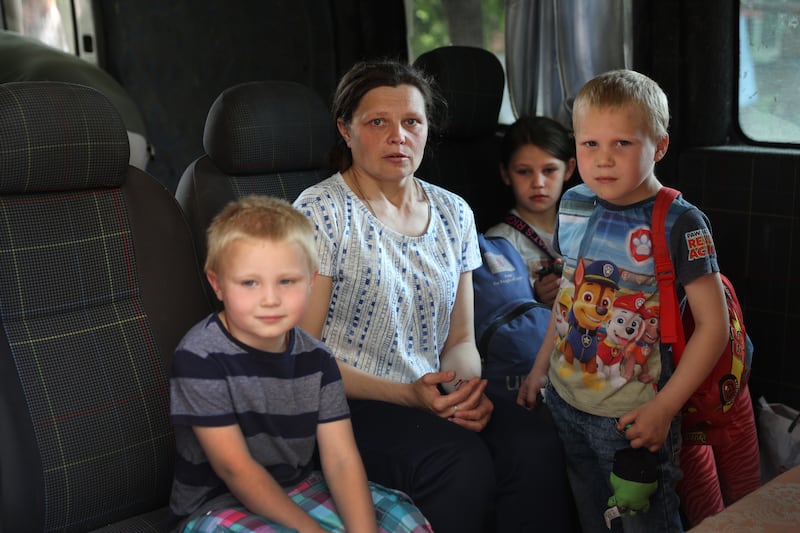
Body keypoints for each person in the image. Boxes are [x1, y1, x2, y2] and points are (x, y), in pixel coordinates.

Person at [293, 59, 575, 533]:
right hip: (345, 405)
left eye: (411, 122)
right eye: (377, 122)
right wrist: (409, 396)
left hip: (432, 393)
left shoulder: (453, 213)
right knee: (460, 463)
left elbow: (461, 340)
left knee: (534, 444)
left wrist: (462, 395)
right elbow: (303, 354)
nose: (397, 135)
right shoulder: (320, 212)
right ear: (346, 130)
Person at [517, 69, 730, 533]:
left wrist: (663, 409)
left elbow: (716, 327)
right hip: (567, 401)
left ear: (660, 146)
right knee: (592, 516)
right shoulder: (572, 202)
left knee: (643, 522)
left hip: (634, 414)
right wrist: (538, 370)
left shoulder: (680, 221)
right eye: (590, 144)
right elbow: (569, 300)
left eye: (623, 144)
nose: (604, 160)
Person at [168, 195, 433, 533]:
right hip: (217, 507)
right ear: (218, 284)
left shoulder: (318, 360)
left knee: (401, 518)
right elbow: (236, 469)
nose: (270, 299)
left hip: (301, 487)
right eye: (250, 283)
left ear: (311, 280)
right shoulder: (201, 357)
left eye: (287, 281)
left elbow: (340, 459)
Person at [486, 115, 576, 306]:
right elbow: (503, 311)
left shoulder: (584, 229)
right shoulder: (499, 243)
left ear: (569, 169)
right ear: (505, 174)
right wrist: (535, 297)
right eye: (524, 171)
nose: (538, 183)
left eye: (549, 170)